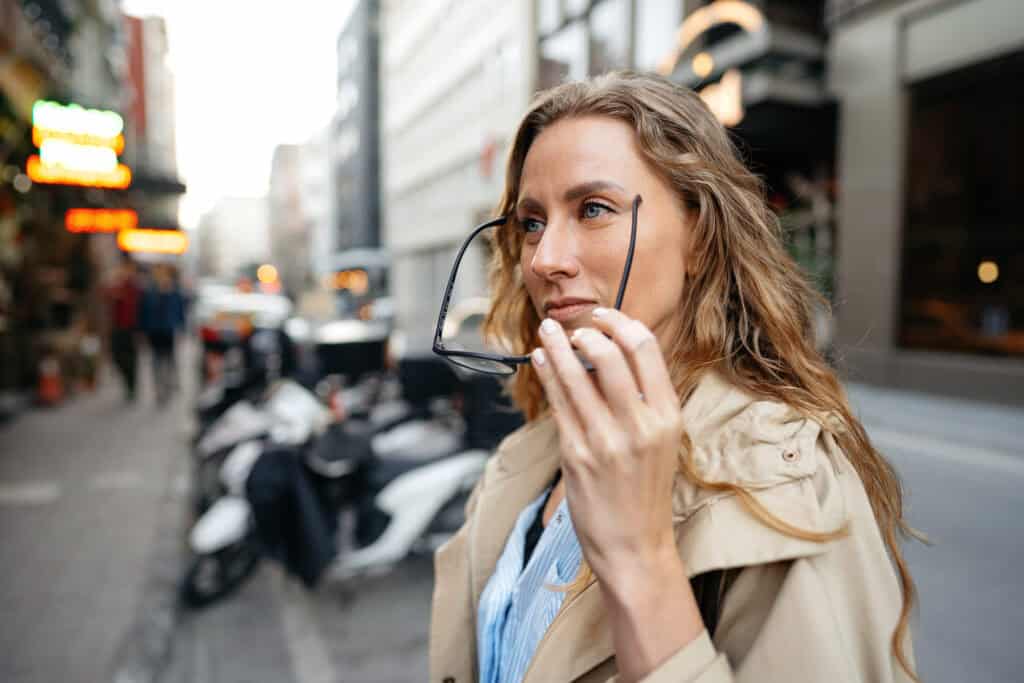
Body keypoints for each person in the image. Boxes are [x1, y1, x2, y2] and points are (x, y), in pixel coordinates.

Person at [429, 72, 919, 683]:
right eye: (531, 223)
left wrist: (639, 561)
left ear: (701, 239)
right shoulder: (531, 454)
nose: (546, 258)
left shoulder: (780, 476)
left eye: (594, 209)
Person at [139, 264, 185, 405]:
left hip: (168, 330)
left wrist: (181, 329)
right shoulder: (149, 291)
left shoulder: (174, 291)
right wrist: (143, 331)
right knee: (156, 360)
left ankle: (169, 384)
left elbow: (180, 311)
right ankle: (159, 388)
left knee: (169, 359)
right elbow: (143, 312)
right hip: (154, 330)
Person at [104, 258, 141, 402]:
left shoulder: (135, 288)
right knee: (117, 356)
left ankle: (132, 386)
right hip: (117, 327)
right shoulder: (116, 286)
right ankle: (128, 382)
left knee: (130, 358)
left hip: (131, 328)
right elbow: (106, 297)